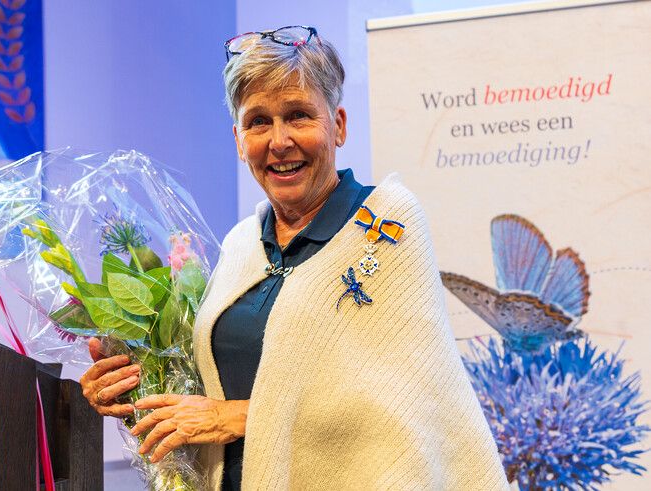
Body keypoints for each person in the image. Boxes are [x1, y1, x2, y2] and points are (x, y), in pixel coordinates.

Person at [80, 26, 509, 490]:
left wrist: (238, 417)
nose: (279, 141)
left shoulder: (388, 224)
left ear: (338, 125)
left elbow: (402, 409)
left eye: (299, 115)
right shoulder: (240, 244)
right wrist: (136, 386)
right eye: (258, 121)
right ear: (239, 139)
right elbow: (207, 403)